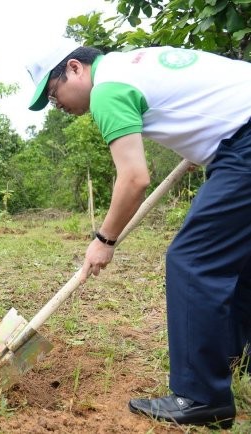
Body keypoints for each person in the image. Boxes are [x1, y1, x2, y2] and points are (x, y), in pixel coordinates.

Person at [26, 38, 251, 428]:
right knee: (238, 261)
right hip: (238, 137)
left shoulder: (107, 91)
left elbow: (133, 178)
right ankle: (238, 360)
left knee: (193, 261)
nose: (56, 105)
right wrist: (202, 145)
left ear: (75, 68)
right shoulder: (131, 65)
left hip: (243, 144)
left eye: (53, 91)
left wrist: (105, 239)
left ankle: (201, 395)